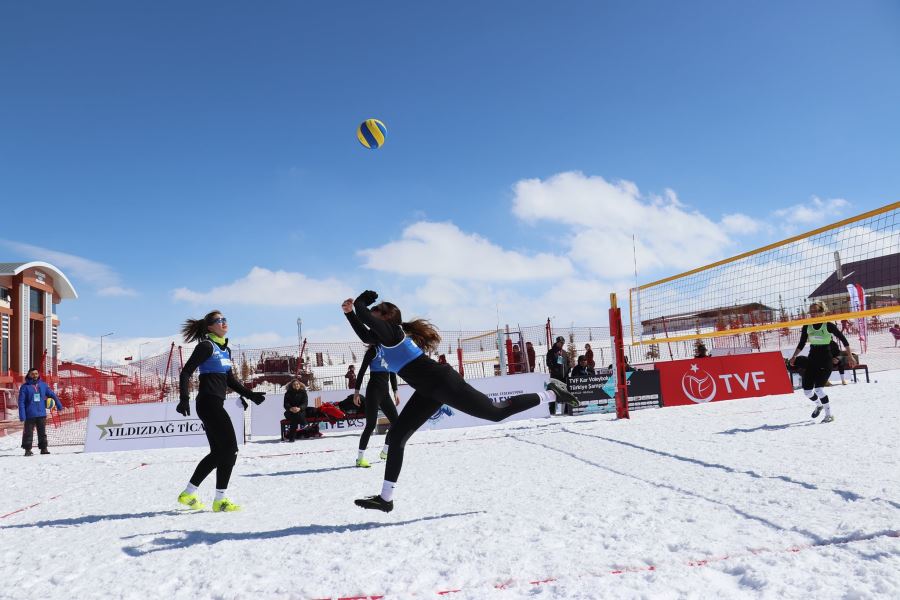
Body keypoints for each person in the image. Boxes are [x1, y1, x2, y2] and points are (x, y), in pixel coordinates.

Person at [342, 291, 579, 512]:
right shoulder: (383, 339)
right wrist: (350, 313)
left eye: (375, 311)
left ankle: (551, 394)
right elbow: (364, 331)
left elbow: (366, 318)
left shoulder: (392, 334)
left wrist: (361, 302)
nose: (370, 314)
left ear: (386, 317)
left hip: (442, 382)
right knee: (397, 436)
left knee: (496, 412)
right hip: (426, 390)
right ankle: (386, 499)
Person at [176, 311, 265, 512]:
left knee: (218, 453)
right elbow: (186, 372)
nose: (224, 322)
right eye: (219, 320)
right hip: (208, 403)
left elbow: (230, 380)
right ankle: (220, 500)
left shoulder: (225, 350)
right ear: (210, 327)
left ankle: (188, 494)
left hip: (215, 403)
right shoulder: (206, 346)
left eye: (225, 319)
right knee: (230, 450)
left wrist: (251, 395)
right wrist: (183, 398)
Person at [789, 301, 855, 423]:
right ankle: (818, 405)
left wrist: (850, 356)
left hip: (826, 361)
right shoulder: (807, 326)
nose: (813, 313)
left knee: (819, 389)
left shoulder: (828, 325)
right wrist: (794, 356)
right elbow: (801, 343)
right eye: (811, 311)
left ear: (822, 312)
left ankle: (829, 415)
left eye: (816, 311)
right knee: (807, 392)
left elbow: (844, 340)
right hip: (812, 360)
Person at [353, 344, 400, 468]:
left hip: (385, 392)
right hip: (373, 391)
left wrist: (395, 391)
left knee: (397, 423)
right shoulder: (373, 351)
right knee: (371, 425)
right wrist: (356, 392)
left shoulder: (389, 351)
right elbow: (362, 370)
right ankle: (360, 459)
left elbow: (393, 373)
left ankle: (385, 451)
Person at [18, 367, 63, 456]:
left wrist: (59, 405)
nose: (34, 375)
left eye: (36, 373)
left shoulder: (43, 385)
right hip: (29, 414)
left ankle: (44, 448)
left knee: (42, 433)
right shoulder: (24, 387)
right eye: (32, 374)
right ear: (29, 375)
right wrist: (22, 415)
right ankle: (27, 450)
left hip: (41, 414)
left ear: (38, 374)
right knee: (28, 433)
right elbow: (21, 402)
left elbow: (52, 395)